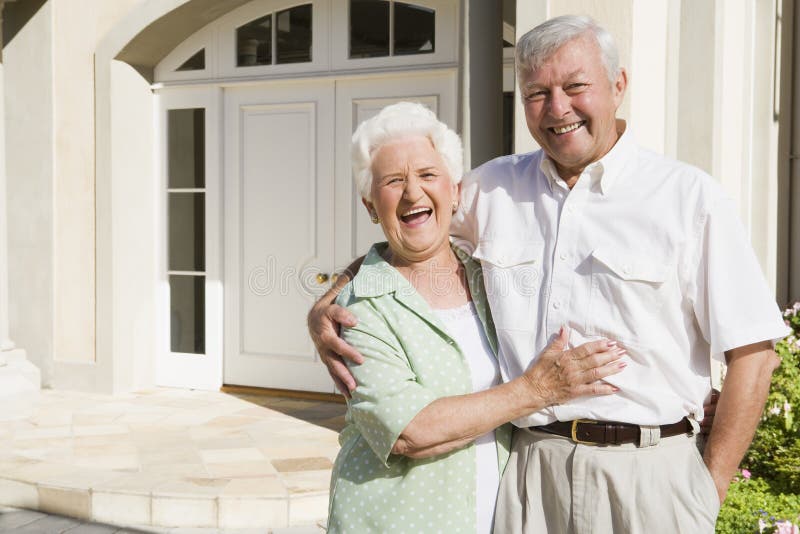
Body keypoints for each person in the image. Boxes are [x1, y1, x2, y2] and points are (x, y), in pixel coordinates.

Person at [311, 15, 790, 534]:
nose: (558, 108)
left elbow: (753, 354)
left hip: (650, 476)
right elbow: (412, 229)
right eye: (537, 92)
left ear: (618, 85)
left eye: (575, 86)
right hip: (529, 477)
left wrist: (707, 489)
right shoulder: (491, 189)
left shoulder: (688, 198)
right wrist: (330, 300)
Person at [326, 102, 626, 534]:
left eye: (428, 175)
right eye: (393, 182)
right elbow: (412, 431)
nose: (413, 193)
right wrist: (536, 390)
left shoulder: (490, 279)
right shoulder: (360, 308)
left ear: (455, 190)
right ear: (371, 206)